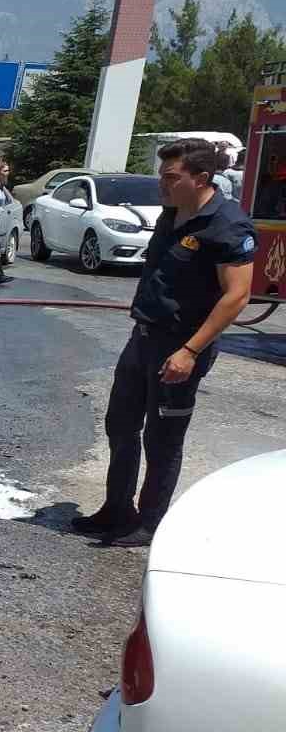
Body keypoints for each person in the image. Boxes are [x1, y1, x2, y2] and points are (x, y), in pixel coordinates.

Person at [71, 139, 257, 549]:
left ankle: (150, 523)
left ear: (202, 178)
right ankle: (116, 509)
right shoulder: (171, 215)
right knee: (120, 426)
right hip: (142, 338)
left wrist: (190, 351)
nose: (162, 184)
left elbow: (237, 296)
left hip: (180, 348)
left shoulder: (227, 225)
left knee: (162, 439)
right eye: (161, 175)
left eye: (171, 177)